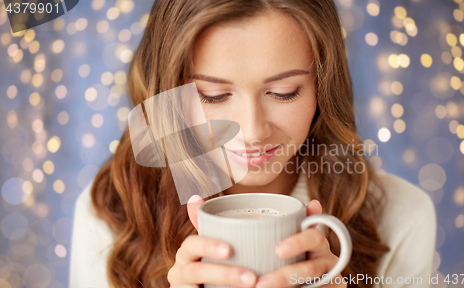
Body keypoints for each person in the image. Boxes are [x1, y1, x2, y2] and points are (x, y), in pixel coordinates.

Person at [69, 0, 437, 287]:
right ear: (168, 94)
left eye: (283, 93)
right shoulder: (112, 212)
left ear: (323, 88)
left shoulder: (402, 216)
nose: (252, 131)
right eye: (212, 96)